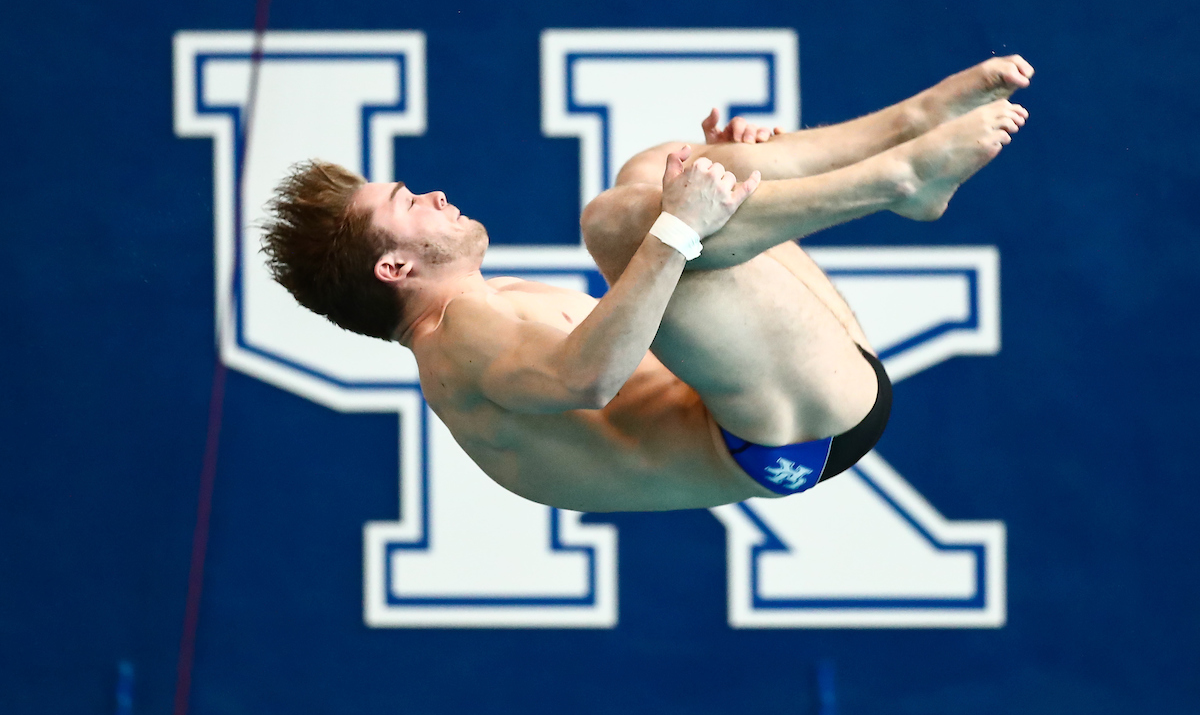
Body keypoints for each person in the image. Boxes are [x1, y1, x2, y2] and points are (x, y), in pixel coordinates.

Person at [262, 55, 1033, 512]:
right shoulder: (455, 339)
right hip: (787, 429)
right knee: (621, 223)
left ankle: (909, 134)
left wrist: (722, 182)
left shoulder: (486, 310)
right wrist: (683, 225)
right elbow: (589, 377)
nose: (430, 195)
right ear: (394, 269)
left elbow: (661, 312)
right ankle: (897, 177)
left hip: (798, 395)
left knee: (657, 173)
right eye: (406, 205)